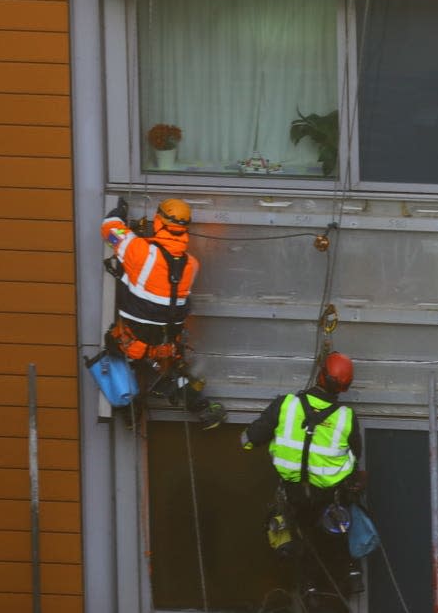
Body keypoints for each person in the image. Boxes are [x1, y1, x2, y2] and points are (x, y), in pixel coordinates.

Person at [241, 351, 364, 607]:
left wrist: (249, 440)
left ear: (320, 375)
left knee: (301, 541)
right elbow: (355, 455)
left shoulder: (285, 405)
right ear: (345, 387)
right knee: (333, 544)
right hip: (330, 498)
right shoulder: (346, 417)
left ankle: (309, 590)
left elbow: (250, 439)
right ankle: (349, 577)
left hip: (294, 495)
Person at [101, 196, 226, 429]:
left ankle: (130, 411)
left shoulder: (139, 250)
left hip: (132, 341)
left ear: (158, 222)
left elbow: (109, 229)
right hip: (166, 343)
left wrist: (119, 212)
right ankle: (200, 406)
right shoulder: (191, 264)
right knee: (176, 372)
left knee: (115, 357)